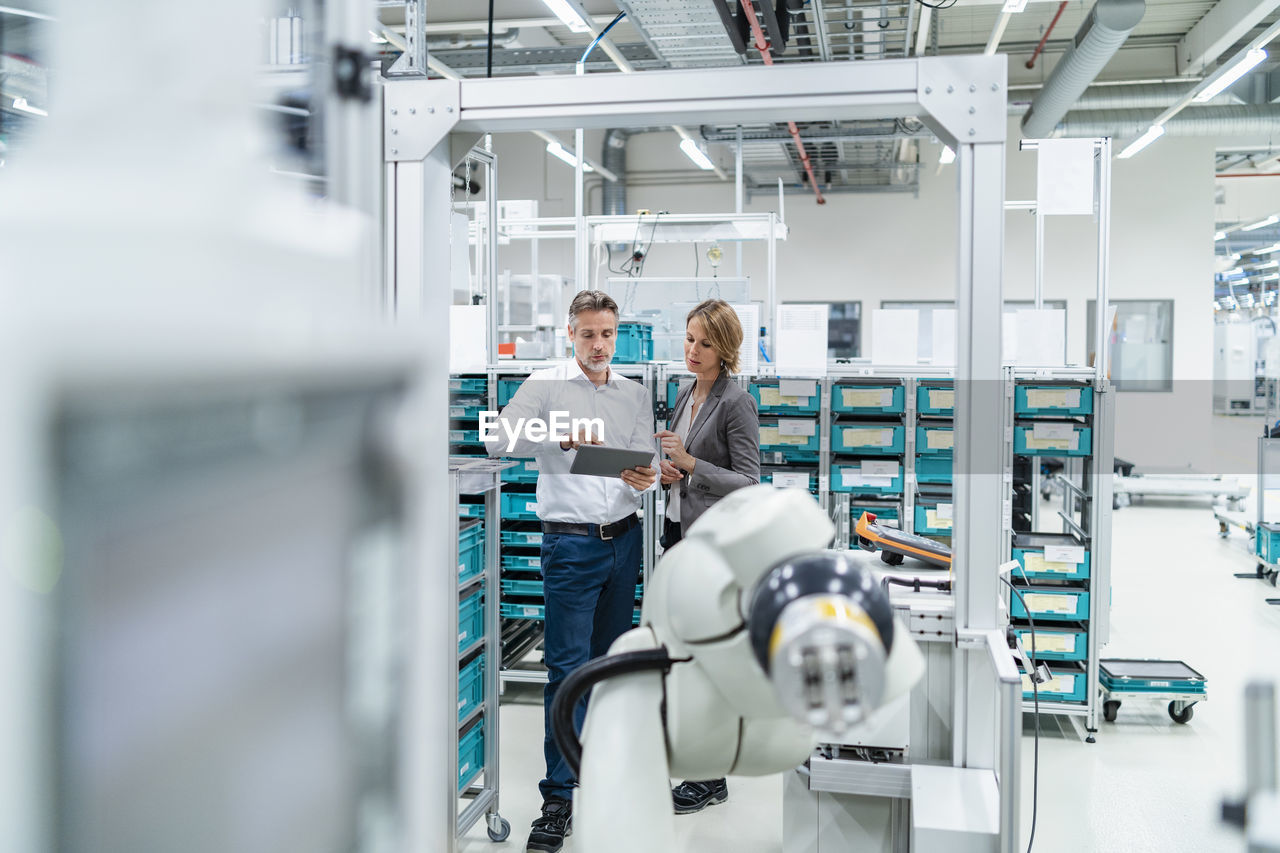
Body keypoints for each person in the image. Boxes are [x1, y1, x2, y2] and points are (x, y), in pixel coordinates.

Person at [484, 289, 657, 853]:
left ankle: (601, 777)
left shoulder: (633, 393)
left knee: (608, 671)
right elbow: (495, 439)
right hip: (570, 547)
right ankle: (557, 798)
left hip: (623, 543)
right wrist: (551, 436)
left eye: (607, 334)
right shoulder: (545, 385)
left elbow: (642, 458)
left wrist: (643, 477)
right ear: (570, 333)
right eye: (588, 334)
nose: (599, 344)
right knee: (566, 670)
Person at [655, 298, 760, 814]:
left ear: (726, 349)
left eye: (705, 342)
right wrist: (672, 472)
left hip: (712, 548)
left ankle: (710, 775)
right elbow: (680, 465)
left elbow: (749, 481)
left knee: (705, 658)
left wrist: (692, 464)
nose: (693, 350)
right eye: (690, 338)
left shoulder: (735, 402)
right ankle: (701, 765)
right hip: (678, 535)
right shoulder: (684, 393)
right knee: (683, 654)